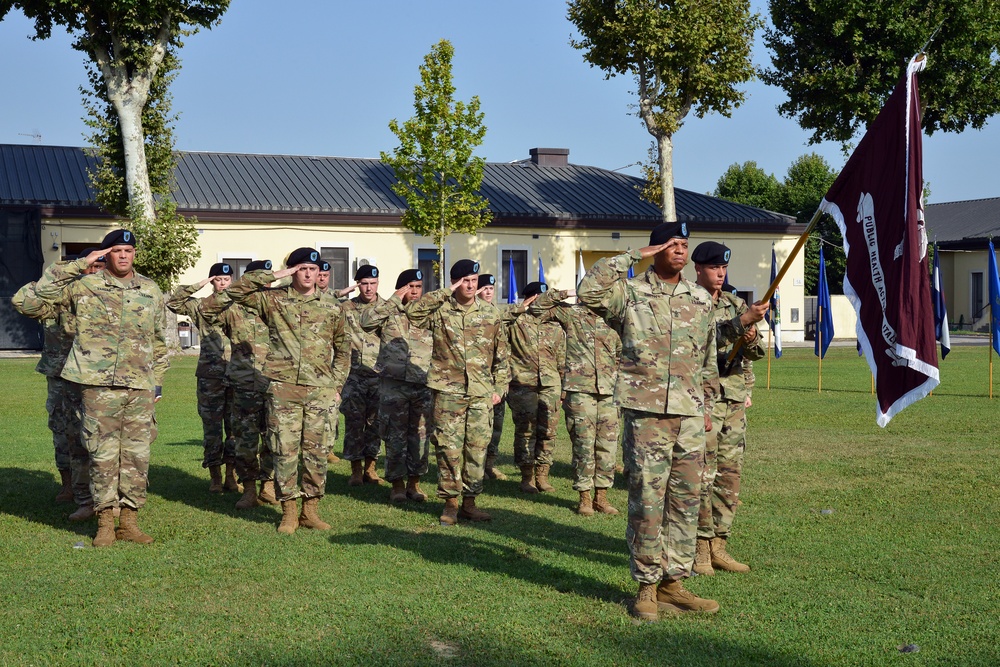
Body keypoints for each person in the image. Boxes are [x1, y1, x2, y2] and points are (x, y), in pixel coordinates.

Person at [578, 221, 720, 620]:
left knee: (687, 501)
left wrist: (707, 404)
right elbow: (588, 291)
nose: (680, 250)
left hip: (691, 414)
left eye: (684, 244)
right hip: (647, 414)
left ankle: (674, 583)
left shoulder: (699, 297)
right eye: (672, 244)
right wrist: (631, 255)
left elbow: (706, 358)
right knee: (647, 500)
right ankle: (645, 586)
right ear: (656, 248)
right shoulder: (630, 293)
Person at [34, 230, 169, 547]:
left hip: (138, 387)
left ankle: (129, 522)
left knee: (137, 456)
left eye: (128, 250)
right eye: (117, 250)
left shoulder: (150, 289)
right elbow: (31, 299)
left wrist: (157, 381)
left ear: (135, 254)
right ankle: (105, 523)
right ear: (106, 254)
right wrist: (77, 265)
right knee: (102, 455)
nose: (123, 255)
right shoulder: (85, 285)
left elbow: (160, 343)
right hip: (97, 387)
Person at [226, 248, 351, 534]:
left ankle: (311, 510)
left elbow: (344, 348)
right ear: (293, 271)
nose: (308, 274)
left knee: (316, 452)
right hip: (283, 389)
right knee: (284, 450)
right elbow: (236, 291)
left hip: (320, 389)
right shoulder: (273, 300)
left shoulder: (332, 306)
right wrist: (275, 275)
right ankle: (289, 511)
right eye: (301, 268)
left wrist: (337, 384)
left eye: (312, 269)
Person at [404, 259, 509, 525]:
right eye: (466, 281)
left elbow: (501, 355)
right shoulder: (440, 310)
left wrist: (499, 387)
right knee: (448, 448)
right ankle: (450, 503)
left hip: (480, 392)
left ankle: (470, 503)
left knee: (476, 449)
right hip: (447, 391)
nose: (471, 286)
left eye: (474, 281)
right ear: (456, 282)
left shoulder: (490, 313)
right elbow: (413, 313)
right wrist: (444, 292)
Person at [690, 242, 767, 575]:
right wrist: (740, 323)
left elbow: (758, 352)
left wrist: (750, 338)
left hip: (732, 399)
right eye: (713, 268)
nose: (720, 274)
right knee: (700, 476)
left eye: (723, 269)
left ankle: (720, 543)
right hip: (700, 400)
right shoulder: (688, 302)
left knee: (729, 474)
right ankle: (699, 548)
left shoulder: (736, 303)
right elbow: (698, 339)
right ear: (698, 269)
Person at [529, 286, 622, 515]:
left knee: (607, 447)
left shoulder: (615, 319)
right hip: (580, 391)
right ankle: (585, 498)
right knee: (583, 445)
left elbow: (622, 353)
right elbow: (536, 307)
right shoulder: (572, 314)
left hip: (609, 392)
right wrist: (565, 292)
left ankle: (602, 497)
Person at [200, 259, 279, 509]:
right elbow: (205, 311)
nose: (265, 282)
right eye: (259, 277)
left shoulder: (277, 305)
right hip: (243, 384)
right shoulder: (232, 308)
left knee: (273, 438)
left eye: (268, 277)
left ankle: (268, 484)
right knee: (245, 440)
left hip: (273, 382)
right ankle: (249, 489)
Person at [12, 254, 86, 516]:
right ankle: (67, 485)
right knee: (61, 428)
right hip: (59, 374)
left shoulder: (97, 298)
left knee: (93, 431)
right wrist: (56, 274)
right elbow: (22, 301)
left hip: (91, 376)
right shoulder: (55, 300)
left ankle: (95, 489)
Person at [359, 268, 433, 503]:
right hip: (393, 385)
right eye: (410, 286)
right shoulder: (389, 312)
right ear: (401, 288)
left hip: (422, 385)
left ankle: (415, 483)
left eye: (418, 287)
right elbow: (367, 322)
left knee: (420, 436)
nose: (415, 291)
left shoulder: (429, 314)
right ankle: (397, 485)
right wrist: (393, 300)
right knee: (394, 436)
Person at [166, 263, 237, 493]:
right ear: (212, 281)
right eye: (218, 279)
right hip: (210, 375)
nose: (223, 283)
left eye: (227, 279)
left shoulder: (240, 305)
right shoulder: (199, 306)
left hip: (237, 373)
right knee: (212, 428)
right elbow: (173, 302)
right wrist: (200, 284)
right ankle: (215, 476)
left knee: (236, 427)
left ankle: (231, 475)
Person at [505, 282, 566, 494]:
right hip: (523, 384)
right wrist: (520, 308)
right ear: (531, 298)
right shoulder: (516, 322)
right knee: (526, 431)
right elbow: (496, 318)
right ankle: (527, 476)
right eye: (540, 298)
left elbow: (561, 357)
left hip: (550, 385)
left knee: (548, 431)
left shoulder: (555, 324)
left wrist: (564, 388)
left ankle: (543, 475)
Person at [340, 264, 385, 486]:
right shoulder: (346, 307)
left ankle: (371, 467)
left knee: (375, 423)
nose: (369, 288)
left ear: (378, 284)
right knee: (354, 423)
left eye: (372, 283)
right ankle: (355, 469)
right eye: (364, 284)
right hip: (353, 374)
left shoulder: (387, 308)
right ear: (358, 285)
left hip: (379, 375)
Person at [476, 274, 509, 481]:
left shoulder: (499, 312)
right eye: (484, 288)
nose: (488, 292)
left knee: (496, 425)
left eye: (491, 288)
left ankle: (489, 465)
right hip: (478, 380)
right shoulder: (473, 312)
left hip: (496, 379)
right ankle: (474, 468)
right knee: (478, 428)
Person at [315, 260, 341, 464]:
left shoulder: (334, 301)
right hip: (309, 365)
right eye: (319, 274)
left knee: (332, 411)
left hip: (328, 365)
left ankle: (329, 447)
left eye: (325, 275)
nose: (321, 278)